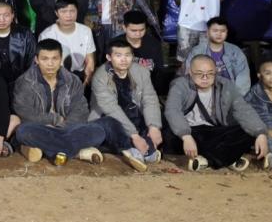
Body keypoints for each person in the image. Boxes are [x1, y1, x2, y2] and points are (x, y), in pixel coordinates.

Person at [163, 54, 268, 171]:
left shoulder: (226, 85)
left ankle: (208, 161)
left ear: (216, 72)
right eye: (199, 73)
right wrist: (185, 136)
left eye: (210, 73)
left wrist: (260, 133)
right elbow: (172, 110)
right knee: (169, 136)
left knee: (246, 133)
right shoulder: (180, 84)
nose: (205, 77)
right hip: (188, 131)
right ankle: (229, 158)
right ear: (190, 72)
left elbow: (243, 109)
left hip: (213, 131)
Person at [12, 39, 106, 165]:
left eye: (54, 58)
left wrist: (62, 127)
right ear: (36, 60)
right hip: (41, 128)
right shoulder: (25, 81)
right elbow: (25, 112)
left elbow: (80, 111)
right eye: (45, 59)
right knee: (23, 131)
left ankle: (53, 149)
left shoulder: (73, 80)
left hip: (68, 128)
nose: (50, 63)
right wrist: (54, 120)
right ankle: (76, 151)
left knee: (98, 131)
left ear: (61, 59)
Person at [89, 39, 163, 172]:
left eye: (127, 55)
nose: (124, 60)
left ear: (132, 56)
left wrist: (154, 126)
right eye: (118, 55)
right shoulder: (100, 77)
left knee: (156, 119)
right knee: (110, 124)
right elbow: (111, 109)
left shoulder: (141, 72)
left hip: (133, 116)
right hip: (109, 118)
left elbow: (149, 98)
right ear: (109, 57)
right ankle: (130, 149)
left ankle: (144, 148)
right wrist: (134, 136)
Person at [183, 17, 250, 96]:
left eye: (223, 31)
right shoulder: (197, 51)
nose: (219, 34)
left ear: (227, 32)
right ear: (207, 32)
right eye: (215, 31)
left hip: (230, 94)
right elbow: (190, 75)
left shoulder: (235, 51)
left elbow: (243, 77)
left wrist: (235, 97)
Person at [38, 0, 96, 85]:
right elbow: (44, 65)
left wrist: (85, 84)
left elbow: (90, 61)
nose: (68, 15)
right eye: (63, 11)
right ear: (56, 13)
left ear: (77, 11)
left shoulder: (86, 31)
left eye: (72, 11)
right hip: (56, 76)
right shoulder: (47, 35)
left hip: (79, 74)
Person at [115, 10, 164, 92]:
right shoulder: (115, 45)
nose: (138, 34)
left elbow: (159, 70)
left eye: (142, 30)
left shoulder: (154, 44)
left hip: (147, 87)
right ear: (124, 28)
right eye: (133, 30)